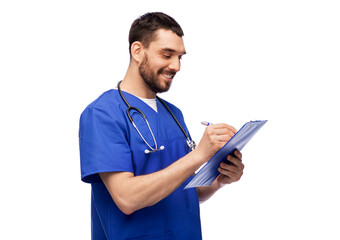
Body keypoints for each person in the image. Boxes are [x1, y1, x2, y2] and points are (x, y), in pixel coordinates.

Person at [79, 12, 244, 240]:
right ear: (137, 51)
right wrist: (198, 156)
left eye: (180, 57)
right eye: (167, 55)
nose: (176, 66)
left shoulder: (174, 114)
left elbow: (182, 192)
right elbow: (127, 198)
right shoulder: (102, 114)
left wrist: (218, 181)